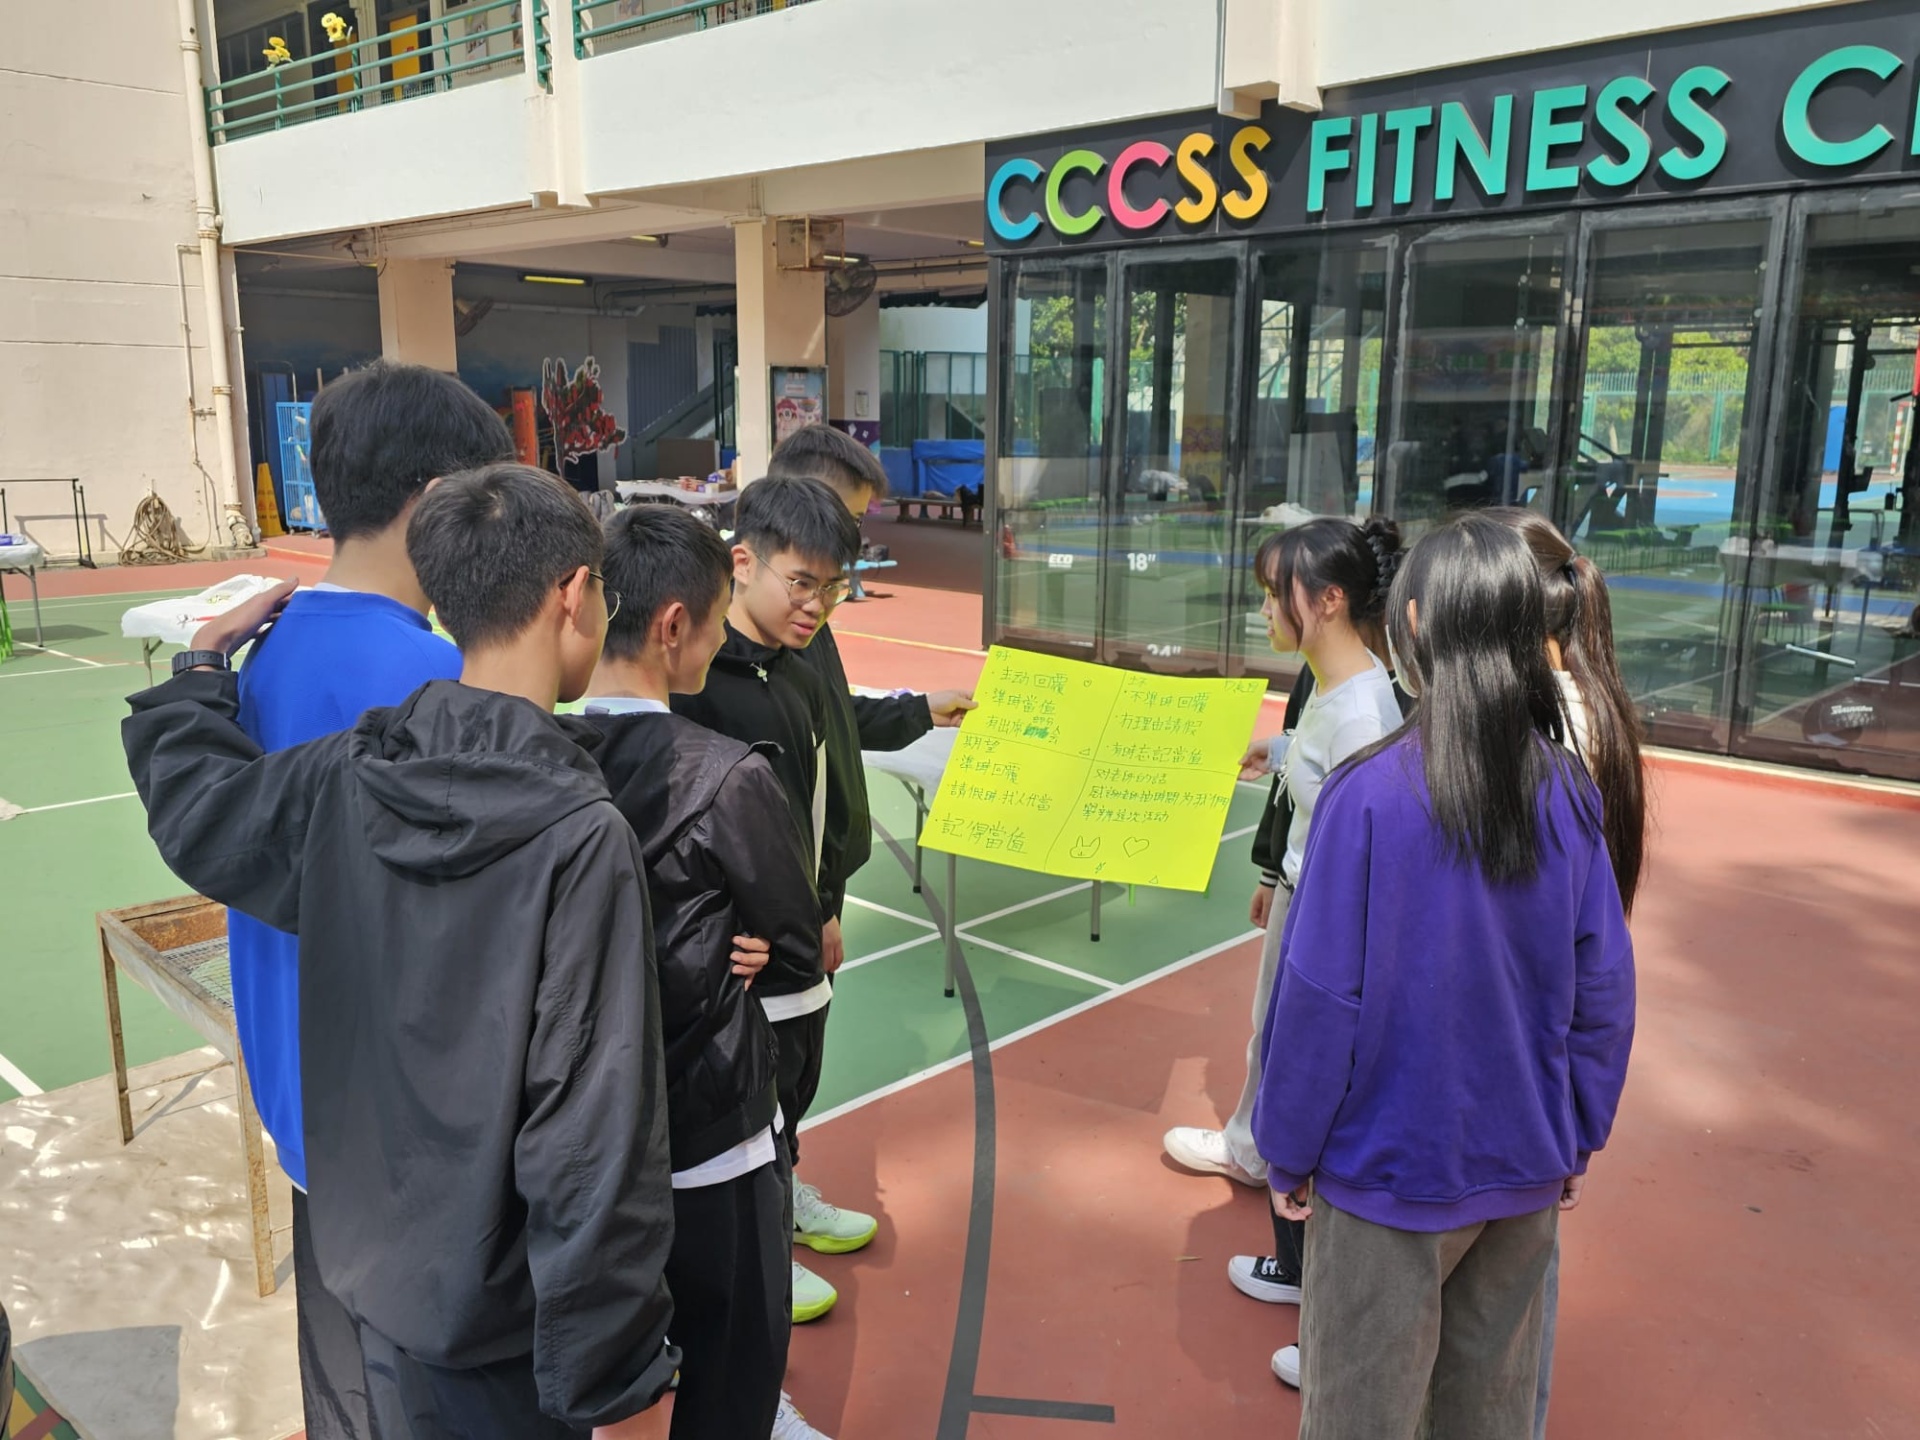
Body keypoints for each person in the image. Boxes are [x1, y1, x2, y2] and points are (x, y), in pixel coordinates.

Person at [123, 466, 678, 1439]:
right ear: (573, 595)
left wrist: (201, 673)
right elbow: (591, 1133)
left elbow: (204, 811)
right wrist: (615, 1370)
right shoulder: (579, 836)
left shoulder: (349, 772)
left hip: (356, 1261)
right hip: (491, 1326)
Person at [1252, 512, 1637, 1440]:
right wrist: (1577, 1132)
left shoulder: (1368, 795)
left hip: (1385, 1174)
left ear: (1415, 621)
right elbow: (1604, 992)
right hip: (1523, 1169)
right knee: (1490, 1414)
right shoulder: (1567, 790)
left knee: (1361, 1414)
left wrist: (1286, 1147)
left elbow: (1320, 1001)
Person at [225, 359, 514, 1437]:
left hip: (303, 1102)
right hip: (402, 1146)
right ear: (436, 502)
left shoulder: (265, 652)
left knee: (341, 1392)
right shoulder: (434, 680)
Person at [577, 504, 826, 1440]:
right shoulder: (727, 775)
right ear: (675, 625)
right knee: (733, 1361)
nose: (724, 638)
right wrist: (753, 942)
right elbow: (794, 937)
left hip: (586, 1127)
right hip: (712, 1125)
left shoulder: (543, 755)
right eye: (719, 619)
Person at [1160, 518, 1407, 1333]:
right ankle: (1290, 1231)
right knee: (1276, 1048)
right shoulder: (1335, 690)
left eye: (1277, 592)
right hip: (1306, 901)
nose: (1265, 608)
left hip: (1326, 918)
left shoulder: (1363, 711)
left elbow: (1365, 846)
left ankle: (1308, 1271)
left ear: (1328, 600)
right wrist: (1280, 750)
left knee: (1304, 1067)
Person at [668, 475, 861, 1340]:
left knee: (795, 1088)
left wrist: (824, 906)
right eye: (802, 582)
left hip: (800, 940)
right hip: (738, 961)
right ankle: (760, 1253)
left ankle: (783, 1206)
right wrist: (723, 932)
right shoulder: (695, 683)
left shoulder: (801, 673)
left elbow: (815, 806)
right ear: (742, 563)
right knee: (746, 1116)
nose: (817, 605)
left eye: (834, 587)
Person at [1486, 508, 1648, 1440]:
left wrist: (1577, 1127)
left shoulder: (1548, 730)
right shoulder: (1583, 701)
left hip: (1519, 1065)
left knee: (1505, 1324)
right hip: (1540, 1058)